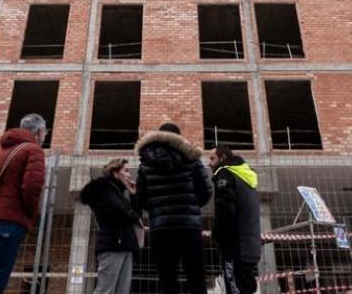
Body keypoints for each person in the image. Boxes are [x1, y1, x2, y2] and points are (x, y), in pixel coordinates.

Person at [0, 114, 48, 294]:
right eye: (45, 131)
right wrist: (30, 213)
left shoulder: (1, 153)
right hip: (12, 220)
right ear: (39, 131)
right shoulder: (33, 150)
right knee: (0, 273)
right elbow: (32, 186)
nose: (45, 135)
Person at [135, 123, 213, 294]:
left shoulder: (145, 161)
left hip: (160, 227)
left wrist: (156, 208)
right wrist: (190, 205)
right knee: (196, 277)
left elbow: (140, 198)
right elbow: (205, 192)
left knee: (167, 279)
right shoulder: (192, 158)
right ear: (179, 137)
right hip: (189, 226)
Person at [80, 158, 142, 294]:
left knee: (122, 291)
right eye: (126, 171)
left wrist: (133, 196)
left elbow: (135, 215)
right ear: (115, 173)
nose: (129, 175)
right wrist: (133, 216)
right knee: (106, 290)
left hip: (125, 245)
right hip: (112, 244)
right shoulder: (103, 187)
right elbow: (120, 212)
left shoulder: (119, 194)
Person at [210, 145, 261, 294]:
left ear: (223, 158)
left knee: (235, 289)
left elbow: (224, 212)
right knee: (246, 288)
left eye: (212, 158)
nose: (209, 163)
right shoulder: (245, 176)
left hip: (235, 248)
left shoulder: (224, 174)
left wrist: (218, 238)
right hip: (250, 247)